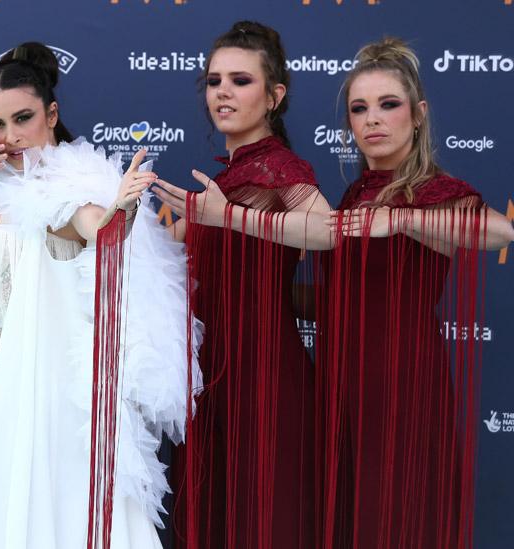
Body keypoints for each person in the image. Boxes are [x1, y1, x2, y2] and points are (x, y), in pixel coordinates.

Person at [0, 41, 199, 549]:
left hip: (56, 386)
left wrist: (118, 209)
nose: (10, 137)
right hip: (10, 377)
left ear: (51, 113)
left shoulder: (69, 184)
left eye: (23, 118)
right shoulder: (1, 185)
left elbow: (97, 230)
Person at [318, 37, 514, 549]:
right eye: (359, 109)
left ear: (418, 114)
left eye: (388, 105)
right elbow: (347, 289)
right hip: (342, 377)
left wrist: (400, 218)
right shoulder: (354, 191)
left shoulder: (434, 188)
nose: (372, 120)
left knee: (397, 517)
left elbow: (500, 232)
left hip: (402, 378)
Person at [153, 21, 331, 549]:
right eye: (214, 81)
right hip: (213, 378)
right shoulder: (228, 178)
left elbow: (328, 231)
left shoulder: (278, 167)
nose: (223, 92)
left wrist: (230, 218)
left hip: (264, 378)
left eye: (240, 81)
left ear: (275, 96)